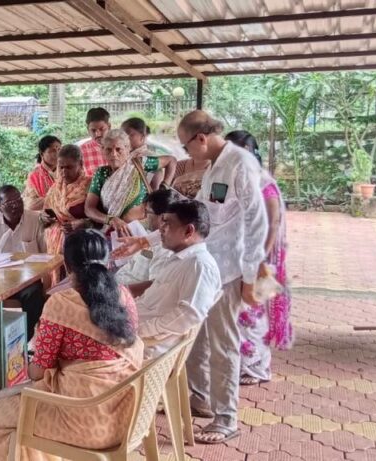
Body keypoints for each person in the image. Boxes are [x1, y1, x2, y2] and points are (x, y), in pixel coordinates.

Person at [112, 111, 267, 445]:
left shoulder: (239, 164)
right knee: (194, 339)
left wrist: (252, 276)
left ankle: (226, 418)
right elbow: (195, 215)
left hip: (229, 268)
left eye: (186, 146)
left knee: (223, 344)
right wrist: (146, 239)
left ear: (201, 137)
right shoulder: (214, 166)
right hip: (210, 261)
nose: (185, 154)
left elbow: (257, 221)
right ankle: (199, 400)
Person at [0, 229, 142, 461]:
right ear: (107, 261)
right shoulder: (123, 296)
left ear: (67, 267)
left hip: (84, 423)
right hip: (126, 416)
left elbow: (39, 371)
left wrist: (23, 366)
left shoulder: (60, 304)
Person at [225, 130, 292, 386]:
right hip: (239, 253)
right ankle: (244, 364)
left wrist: (258, 258)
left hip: (259, 257)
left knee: (252, 312)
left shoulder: (264, 183)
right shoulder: (241, 179)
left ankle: (257, 368)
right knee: (241, 312)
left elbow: (272, 224)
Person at [137, 199, 222, 360]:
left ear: (189, 231)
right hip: (133, 328)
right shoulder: (181, 258)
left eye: (167, 224)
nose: (160, 229)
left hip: (145, 347)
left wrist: (140, 330)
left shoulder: (199, 265)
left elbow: (189, 314)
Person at [0, 185, 48, 331]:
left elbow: (46, 255)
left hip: (27, 281)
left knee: (35, 296)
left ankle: (24, 337)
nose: (16, 206)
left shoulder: (35, 219)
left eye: (19, 200)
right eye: (9, 203)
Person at [84, 130, 157, 237]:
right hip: (114, 231)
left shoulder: (140, 164)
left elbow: (171, 161)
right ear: (103, 151)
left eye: (119, 149)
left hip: (141, 230)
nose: (114, 154)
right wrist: (111, 220)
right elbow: (89, 209)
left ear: (128, 149)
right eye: (108, 149)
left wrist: (161, 186)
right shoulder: (101, 173)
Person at [115, 188, 179, 297]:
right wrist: (137, 250)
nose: (145, 216)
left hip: (123, 296)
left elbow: (153, 287)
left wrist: (117, 293)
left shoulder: (166, 249)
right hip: (118, 282)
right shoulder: (153, 237)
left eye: (148, 212)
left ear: (162, 217)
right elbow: (151, 256)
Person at [40, 144, 93, 256]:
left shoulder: (90, 185)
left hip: (84, 245)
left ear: (80, 164)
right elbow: (46, 213)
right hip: (56, 245)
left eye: (69, 167)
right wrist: (44, 218)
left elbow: (103, 219)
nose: (64, 172)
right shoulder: (55, 188)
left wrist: (82, 223)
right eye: (61, 167)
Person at [122, 117, 176, 190]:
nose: (125, 138)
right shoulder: (125, 155)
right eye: (122, 135)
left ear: (142, 136)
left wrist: (164, 186)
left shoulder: (147, 157)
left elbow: (155, 187)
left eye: (130, 135)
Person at [23, 135, 62, 210]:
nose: (57, 153)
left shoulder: (66, 169)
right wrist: (56, 198)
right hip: (45, 216)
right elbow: (30, 205)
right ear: (42, 154)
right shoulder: (34, 175)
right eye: (52, 151)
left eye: (59, 149)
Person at [76, 107, 111, 177]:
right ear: (88, 129)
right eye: (93, 130)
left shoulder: (120, 147)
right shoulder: (81, 151)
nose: (97, 134)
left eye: (101, 129)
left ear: (109, 126)